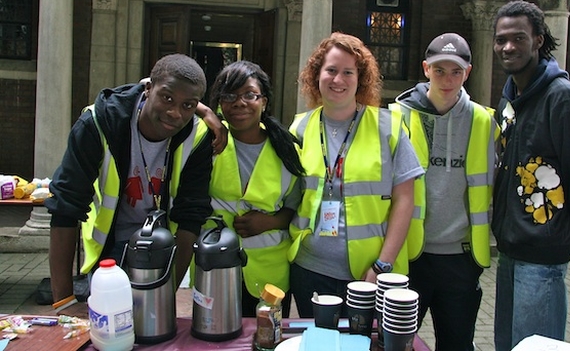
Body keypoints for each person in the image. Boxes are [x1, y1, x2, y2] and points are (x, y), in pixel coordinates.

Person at [46, 53, 219, 316]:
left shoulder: (198, 137)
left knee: (152, 330)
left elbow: (191, 216)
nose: (174, 113)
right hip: (110, 251)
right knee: (109, 330)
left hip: (163, 249)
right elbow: (65, 207)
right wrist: (64, 301)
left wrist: (167, 291)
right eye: (167, 98)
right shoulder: (98, 124)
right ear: (148, 88)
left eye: (187, 105)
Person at [491, 0, 570, 350]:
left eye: (518, 38)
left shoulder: (561, 99)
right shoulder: (510, 99)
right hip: (510, 251)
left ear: (539, 40)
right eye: (501, 39)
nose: (508, 47)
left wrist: (567, 240)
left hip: (542, 258)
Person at [288, 32, 424, 317]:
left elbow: (404, 201)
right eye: (331, 70)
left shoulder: (388, 127)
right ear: (317, 75)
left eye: (348, 72)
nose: (338, 80)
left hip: (370, 274)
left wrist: (382, 266)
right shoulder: (300, 128)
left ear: (360, 78)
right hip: (310, 269)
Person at [390, 33, 498, 351]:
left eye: (455, 71)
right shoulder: (398, 117)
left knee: (457, 345)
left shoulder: (485, 121)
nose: (447, 79)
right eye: (439, 70)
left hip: (461, 259)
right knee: (397, 343)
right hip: (411, 256)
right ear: (426, 69)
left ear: (468, 72)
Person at [201, 60, 304, 317]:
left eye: (249, 95)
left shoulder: (287, 149)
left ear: (264, 101)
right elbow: (156, 92)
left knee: (265, 338)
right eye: (229, 96)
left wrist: (269, 223)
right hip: (216, 266)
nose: (239, 103)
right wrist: (204, 112)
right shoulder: (206, 140)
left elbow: (297, 205)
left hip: (270, 274)